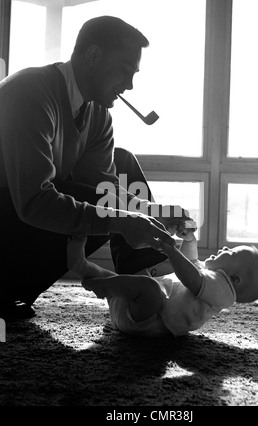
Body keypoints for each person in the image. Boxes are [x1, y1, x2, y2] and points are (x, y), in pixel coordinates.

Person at [0, 16, 191, 320]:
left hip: (19, 220)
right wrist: (122, 221)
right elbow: (34, 201)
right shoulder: (30, 94)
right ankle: (7, 290)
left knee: (123, 162)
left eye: (133, 74)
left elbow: (104, 190)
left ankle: (146, 281)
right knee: (110, 214)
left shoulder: (98, 114)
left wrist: (151, 212)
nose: (129, 85)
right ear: (92, 56)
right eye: (124, 71)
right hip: (12, 213)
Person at [67, 228, 258, 338]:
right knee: (138, 283)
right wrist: (191, 241)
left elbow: (191, 277)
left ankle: (104, 287)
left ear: (234, 279)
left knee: (149, 288)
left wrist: (171, 250)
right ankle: (82, 266)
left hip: (149, 322)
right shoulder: (213, 281)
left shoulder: (223, 292)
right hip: (139, 310)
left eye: (231, 252)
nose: (226, 247)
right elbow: (192, 265)